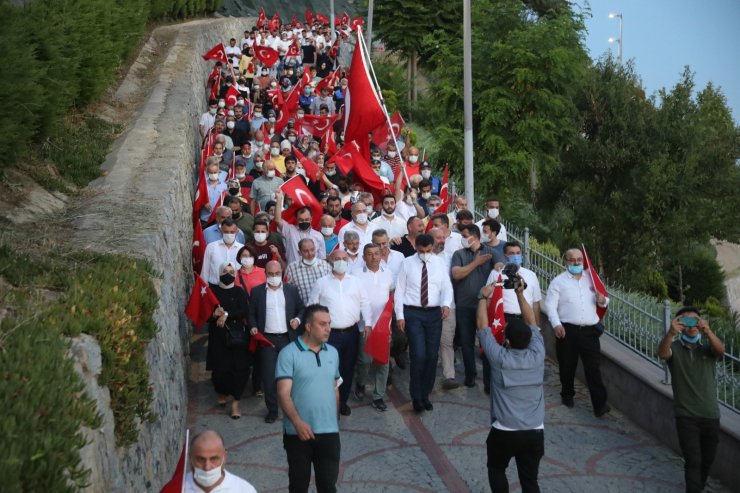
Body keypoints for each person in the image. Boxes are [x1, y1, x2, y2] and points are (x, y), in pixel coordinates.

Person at [476, 273, 545, 493]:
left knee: (496, 470)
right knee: (530, 481)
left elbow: (482, 328)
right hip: (535, 430)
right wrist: (520, 293)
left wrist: (481, 297)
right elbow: (532, 322)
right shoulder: (539, 352)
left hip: (504, 430)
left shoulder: (499, 359)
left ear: (506, 340)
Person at [658, 306, 725, 493]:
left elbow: (721, 351)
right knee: (693, 461)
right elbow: (663, 353)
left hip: (711, 415)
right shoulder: (675, 348)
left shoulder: (707, 348)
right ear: (680, 325)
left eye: (695, 320)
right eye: (686, 321)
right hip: (686, 416)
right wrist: (670, 333)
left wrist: (708, 332)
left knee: (706, 461)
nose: (692, 325)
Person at [276, 304, 341, 493]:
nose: (328, 328)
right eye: (322, 324)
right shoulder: (288, 354)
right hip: (298, 433)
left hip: (329, 432)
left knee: (328, 487)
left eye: (329, 323)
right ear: (308, 326)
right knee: (298, 486)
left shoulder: (333, 353)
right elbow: (283, 392)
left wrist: (335, 421)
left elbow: (334, 387)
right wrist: (297, 422)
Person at [545, 248, 610, 416]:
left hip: (589, 332)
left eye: (579, 260)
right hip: (568, 331)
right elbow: (550, 306)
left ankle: (600, 405)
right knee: (567, 366)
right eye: (572, 260)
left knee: (593, 369)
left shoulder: (591, 279)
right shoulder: (558, 282)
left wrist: (603, 301)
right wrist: (556, 325)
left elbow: (604, 299)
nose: (576, 263)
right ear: (565, 261)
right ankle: (567, 394)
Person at [308, 249, 372, 416]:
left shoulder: (356, 282)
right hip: (329, 335)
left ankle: (341, 402)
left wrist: (368, 323)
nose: (341, 261)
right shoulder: (321, 283)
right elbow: (312, 306)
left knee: (347, 368)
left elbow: (365, 303)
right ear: (330, 260)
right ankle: (327, 402)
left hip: (351, 333)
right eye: (337, 259)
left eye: (344, 258)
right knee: (327, 369)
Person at [395, 234, 453, 412]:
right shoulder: (407, 263)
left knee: (431, 356)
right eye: (422, 251)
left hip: (434, 313)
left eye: (428, 251)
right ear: (416, 248)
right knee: (418, 355)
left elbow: (446, 286)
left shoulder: (439, 263)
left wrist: (445, 304)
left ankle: (426, 393)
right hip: (413, 312)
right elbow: (399, 290)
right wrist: (400, 315)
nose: (425, 254)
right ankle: (416, 396)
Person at [249, 261, 305, 424]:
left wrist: (297, 319)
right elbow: (251, 313)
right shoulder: (257, 292)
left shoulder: (291, 290)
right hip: (268, 340)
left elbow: (302, 309)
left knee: (293, 375)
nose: (274, 277)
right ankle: (272, 409)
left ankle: (294, 407)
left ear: (282, 272)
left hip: (288, 338)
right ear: (265, 274)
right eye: (271, 274)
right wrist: (253, 327)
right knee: (268, 376)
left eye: (277, 274)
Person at [451, 224, 504, 388]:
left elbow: (500, 270)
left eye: (465, 235)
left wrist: (497, 266)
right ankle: (470, 375)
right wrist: (476, 263)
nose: (463, 238)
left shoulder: (491, 252)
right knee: (466, 345)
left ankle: (489, 380)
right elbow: (456, 274)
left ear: (474, 236)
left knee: (486, 344)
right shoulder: (458, 254)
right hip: (464, 307)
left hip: (485, 308)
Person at [353, 243, 395, 411]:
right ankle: (361, 383)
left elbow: (392, 297)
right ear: (364, 257)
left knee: (383, 362)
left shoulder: (389, 274)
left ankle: (378, 396)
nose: (374, 257)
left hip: (384, 326)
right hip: (365, 326)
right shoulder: (356, 275)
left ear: (381, 255)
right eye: (369, 254)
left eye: (376, 253)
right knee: (365, 360)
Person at [208, 263, 251, 419]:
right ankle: (221, 391)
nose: (228, 274)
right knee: (220, 370)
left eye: (231, 271)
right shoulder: (212, 291)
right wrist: (214, 315)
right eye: (225, 271)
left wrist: (226, 314)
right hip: (218, 336)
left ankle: (236, 401)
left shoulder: (239, 291)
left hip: (236, 335)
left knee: (240, 368)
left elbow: (244, 311)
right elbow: (205, 313)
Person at [184, 430, 257, 493]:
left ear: (224, 457)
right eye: (200, 459)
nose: (207, 467)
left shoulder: (244, 490)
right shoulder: (178, 487)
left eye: (214, 459)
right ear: (190, 458)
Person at [274, 190, 325, 264]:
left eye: (306, 219)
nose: (304, 222)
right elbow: (278, 220)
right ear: (296, 219)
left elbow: (322, 259)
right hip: (293, 271)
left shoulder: (318, 236)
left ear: (311, 219)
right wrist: (279, 199)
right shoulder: (290, 230)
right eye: (301, 220)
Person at [285, 238, 332, 305]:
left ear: (315, 249)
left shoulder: (325, 266)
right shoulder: (291, 268)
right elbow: (288, 291)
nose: (310, 253)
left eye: (312, 250)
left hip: (324, 309)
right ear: (299, 253)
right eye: (305, 251)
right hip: (304, 311)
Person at [201, 219, 244, 285]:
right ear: (221, 231)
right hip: (215, 288)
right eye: (226, 232)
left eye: (232, 232)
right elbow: (205, 271)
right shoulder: (211, 247)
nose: (229, 234)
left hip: (236, 288)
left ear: (237, 232)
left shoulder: (242, 249)